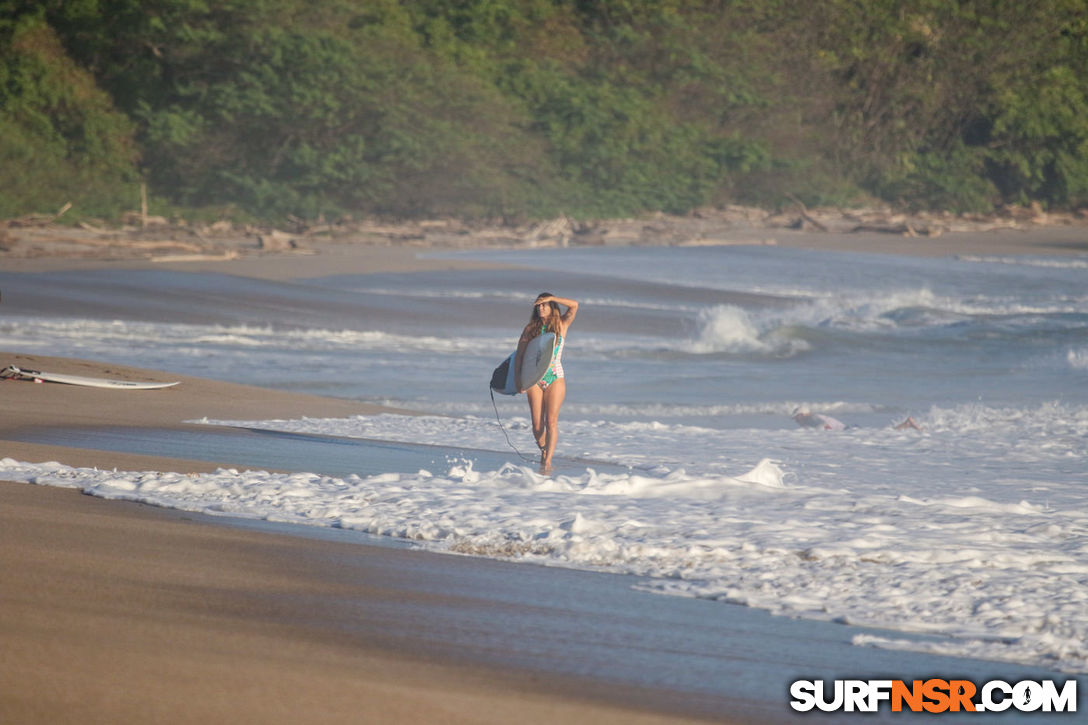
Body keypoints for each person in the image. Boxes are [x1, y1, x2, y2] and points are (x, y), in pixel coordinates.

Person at [516, 293, 578, 474]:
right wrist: (518, 381)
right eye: (538, 306)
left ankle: (548, 460)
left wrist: (554, 298)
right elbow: (520, 357)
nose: (541, 308)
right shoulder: (530, 329)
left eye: (544, 305)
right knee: (537, 426)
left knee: (551, 421)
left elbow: (574, 305)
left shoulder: (561, 325)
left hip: (554, 376)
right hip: (534, 379)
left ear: (552, 306)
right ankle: (543, 448)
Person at [792, 407, 922, 431]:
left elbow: (825, 426)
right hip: (850, 430)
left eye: (796, 418)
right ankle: (907, 425)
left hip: (848, 432)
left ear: (802, 415)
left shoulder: (812, 418)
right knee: (883, 433)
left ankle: (907, 424)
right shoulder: (814, 417)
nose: (796, 421)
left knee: (884, 433)